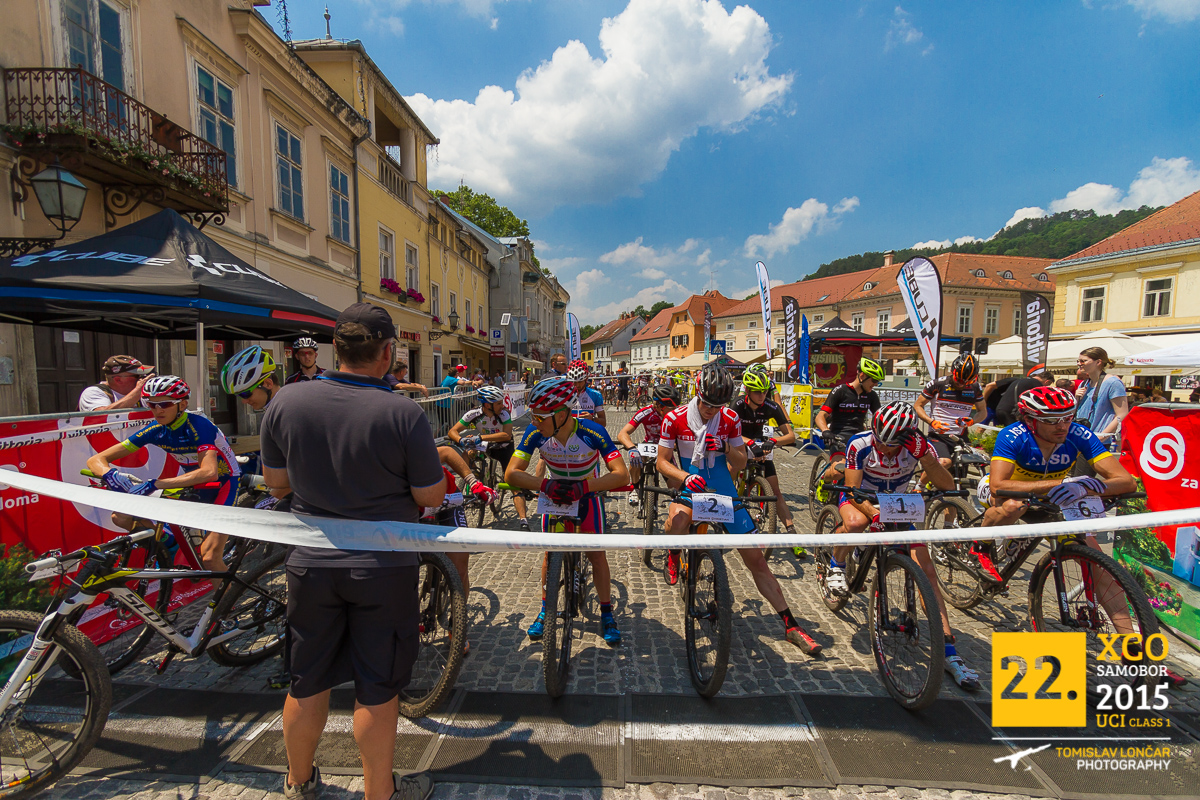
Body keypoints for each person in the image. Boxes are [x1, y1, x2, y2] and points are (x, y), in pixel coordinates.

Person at [260, 303, 443, 800]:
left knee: (307, 679)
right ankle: (379, 793)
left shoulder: (285, 403)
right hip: (381, 567)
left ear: (332, 350)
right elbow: (430, 496)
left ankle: (298, 783)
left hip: (310, 564)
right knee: (378, 687)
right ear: (387, 354)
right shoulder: (403, 412)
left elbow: (276, 486)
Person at [656, 365, 823, 656]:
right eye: (706, 404)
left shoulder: (730, 418)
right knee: (676, 521)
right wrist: (684, 477)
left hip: (723, 493)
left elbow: (741, 462)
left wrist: (722, 446)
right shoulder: (674, 418)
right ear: (697, 394)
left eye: (716, 406)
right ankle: (673, 551)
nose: (710, 411)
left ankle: (791, 624)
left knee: (757, 560)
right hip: (691, 487)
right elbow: (662, 461)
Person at [822, 401, 981, 690]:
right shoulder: (860, 444)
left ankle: (949, 651)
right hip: (861, 499)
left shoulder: (918, 446)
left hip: (897, 505)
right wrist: (873, 513)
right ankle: (838, 564)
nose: (883, 450)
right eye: (880, 443)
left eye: (891, 446)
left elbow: (946, 485)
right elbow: (853, 491)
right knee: (856, 523)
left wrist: (929, 461)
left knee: (927, 570)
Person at [505, 376, 630, 647]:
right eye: (533, 417)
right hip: (553, 497)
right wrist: (545, 484)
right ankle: (545, 609)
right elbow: (511, 474)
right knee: (550, 558)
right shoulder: (535, 432)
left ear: (561, 413)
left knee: (597, 556)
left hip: (586, 497)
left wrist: (585, 486)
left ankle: (607, 613)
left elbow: (621, 475)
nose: (534, 422)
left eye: (540, 417)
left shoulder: (591, 431)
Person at [86, 375, 240, 573]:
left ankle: (227, 604)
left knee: (209, 559)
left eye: (165, 404)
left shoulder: (199, 426)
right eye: (151, 404)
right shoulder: (155, 429)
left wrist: (156, 484)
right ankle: (169, 544)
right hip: (191, 484)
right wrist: (110, 475)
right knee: (121, 517)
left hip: (223, 484)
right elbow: (96, 460)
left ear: (182, 404)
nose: (157, 410)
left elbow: (209, 472)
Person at [733, 370, 802, 542]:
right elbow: (728, 431)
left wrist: (773, 441)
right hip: (739, 441)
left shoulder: (771, 406)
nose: (762, 395)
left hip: (759, 444)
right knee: (729, 471)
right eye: (757, 391)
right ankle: (723, 510)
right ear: (747, 391)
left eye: (765, 391)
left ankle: (791, 531)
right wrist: (748, 443)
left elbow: (791, 436)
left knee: (775, 491)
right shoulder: (738, 404)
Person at [449, 385, 529, 529]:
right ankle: (471, 479)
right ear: (487, 405)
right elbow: (453, 431)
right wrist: (460, 440)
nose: (502, 405)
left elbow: (507, 435)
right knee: (467, 452)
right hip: (484, 445)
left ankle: (523, 521)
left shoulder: (504, 414)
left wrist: (481, 437)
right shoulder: (473, 414)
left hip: (503, 447)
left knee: (512, 481)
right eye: (498, 403)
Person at [813, 358, 884, 482]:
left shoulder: (871, 395)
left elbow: (880, 419)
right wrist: (825, 431)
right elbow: (820, 416)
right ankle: (824, 479)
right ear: (862, 375)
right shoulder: (840, 391)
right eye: (874, 380)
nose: (876, 384)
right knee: (838, 472)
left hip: (859, 439)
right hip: (838, 437)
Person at [616, 383, 680, 512]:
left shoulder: (677, 415)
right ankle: (635, 488)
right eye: (671, 407)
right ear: (660, 406)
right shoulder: (646, 412)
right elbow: (623, 433)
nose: (675, 410)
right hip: (648, 446)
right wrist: (631, 448)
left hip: (665, 450)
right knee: (635, 460)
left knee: (678, 490)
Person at [914, 353, 987, 467]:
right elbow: (918, 406)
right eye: (958, 379)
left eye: (967, 382)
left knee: (963, 468)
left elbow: (982, 412)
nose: (961, 384)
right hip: (938, 435)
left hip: (960, 436)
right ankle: (920, 485)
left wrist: (972, 421)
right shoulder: (938, 384)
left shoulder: (975, 387)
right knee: (944, 463)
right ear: (953, 372)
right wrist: (931, 422)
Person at [1074, 346, 1128, 449]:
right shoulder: (1084, 383)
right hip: (1079, 439)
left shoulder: (1113, 383)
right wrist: (1076, 398)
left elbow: (1122, 414)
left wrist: (1101, 437)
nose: (1079, 364)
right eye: (1078, 361)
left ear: (1098, 362)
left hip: (1097, 442)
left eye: (1083, 361)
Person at [78, 355, 155, 411]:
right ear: (118, 380)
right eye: (137, 376)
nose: (142, 379)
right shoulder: (93, 392)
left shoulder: (140, 394)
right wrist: (138, 391)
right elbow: (102, 416)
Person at [222, 345, 284, 412]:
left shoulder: (288, 412)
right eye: (239, 395)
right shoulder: (277, 410)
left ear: (268, 384)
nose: (244, 401)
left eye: (246, 394)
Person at [989, 370, 1054, 428]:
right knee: (1014, 433)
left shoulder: (1020, 380)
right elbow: (1042, 399)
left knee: (1003, 432)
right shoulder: (1037, 384)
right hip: (1012, 412)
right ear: (1047, 381)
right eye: (1048, 384)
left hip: (1000, 408)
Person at [567, 360, 607, 428]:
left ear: (586, 379)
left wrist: (592, 419)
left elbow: (603, 422)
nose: (576, 385)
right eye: (574, 382)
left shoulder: (595, 395)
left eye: (580, 381)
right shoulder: (565, 395)